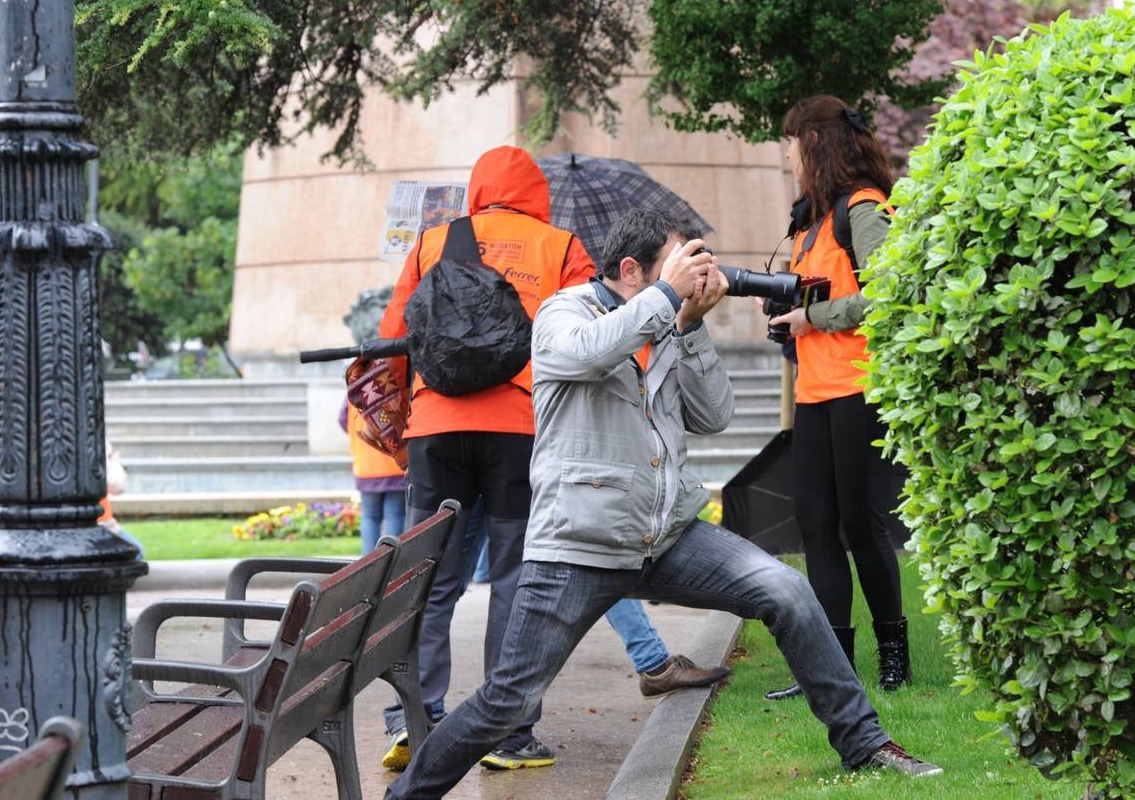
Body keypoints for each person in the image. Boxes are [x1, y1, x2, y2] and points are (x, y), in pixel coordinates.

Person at [382, 207, 940, 799]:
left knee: (786, 590)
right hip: (578, 545)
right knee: (506, 702)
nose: (696, 279)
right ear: (632, 268)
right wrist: (668, 298)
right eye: (681, 265)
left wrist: (691, 326)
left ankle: (865, 744)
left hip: (665, 538)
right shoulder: (562, 312)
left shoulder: (669, 321)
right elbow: (588, 354)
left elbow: (713, 415)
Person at [376, 146, 595, 771]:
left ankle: (414, 720)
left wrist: (399, 424)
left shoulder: (432, 242)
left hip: (436, 430)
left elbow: (396, 336)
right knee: (513, 580)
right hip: (517, 431)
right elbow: (593, 339)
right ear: (535, 191)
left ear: (478, 190)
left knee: (430, 580)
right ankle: (509, 732)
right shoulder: (560, 247)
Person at [763, 95, 912, 700]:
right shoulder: (809, 219)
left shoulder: (864, 209)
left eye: (793, 143)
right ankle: (833, 665)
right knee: (816, 526)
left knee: (860, 523)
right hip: (814, 393)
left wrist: (813, 317)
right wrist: (786, 314)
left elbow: (890, 294)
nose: (788, 156)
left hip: (858, 388)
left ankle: (894, 657)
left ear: (816, 144)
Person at [338, 401, 406, 553]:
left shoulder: (355, 387)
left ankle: (367, 566)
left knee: (370, 517)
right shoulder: (391, 384)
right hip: (394, 465)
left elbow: (343, 420)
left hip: (366, 466)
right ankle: (390, 563)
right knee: (395, 517)